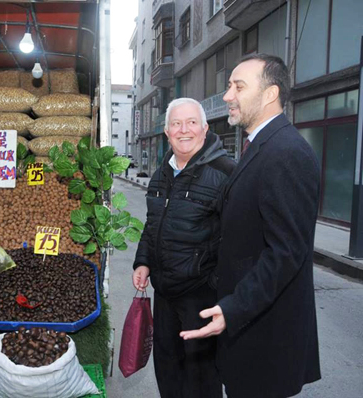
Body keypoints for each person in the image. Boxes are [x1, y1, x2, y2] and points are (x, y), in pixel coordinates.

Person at [180, 54, 321, 397]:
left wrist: (232, 307)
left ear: (270, 94)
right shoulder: (262, 146)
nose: (227, 95)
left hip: (266, 339)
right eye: (229, 86)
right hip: (248, 331)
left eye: (238, 87)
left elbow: (285, 252)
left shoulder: (286, 153)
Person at [132, 98, 235, 398]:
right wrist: (143, 262)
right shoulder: (161, 173)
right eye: (176, 124)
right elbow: (153, 226)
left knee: (201, 380)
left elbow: (239, 242)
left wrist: (217, 288)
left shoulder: (226, 173)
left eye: (191, 122)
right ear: (167, 132)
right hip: (165, 294)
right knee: (168, 370)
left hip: (202, 298)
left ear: (204, 128)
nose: (184, 130)